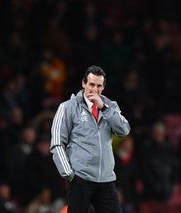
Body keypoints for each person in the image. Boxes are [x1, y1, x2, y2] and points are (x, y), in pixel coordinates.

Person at [50, 65, 130, 213]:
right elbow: (57, 144)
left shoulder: (110, 107)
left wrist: (104, 108)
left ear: (103, 87)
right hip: (80, 179)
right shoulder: (68, 107)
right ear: (83, 83)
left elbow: (124, 131)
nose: (95, 89)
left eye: (99, 86)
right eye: (91, 84)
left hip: (106, 180)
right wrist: (69, 174)